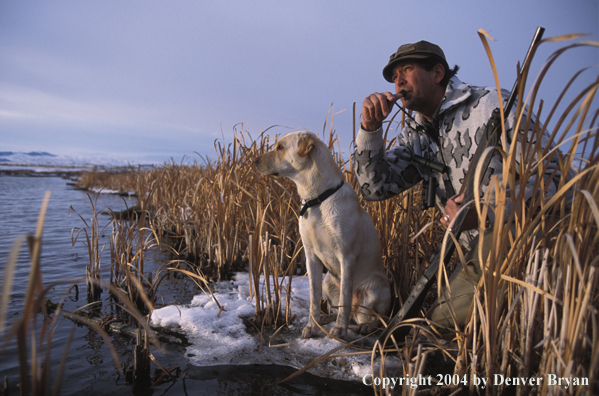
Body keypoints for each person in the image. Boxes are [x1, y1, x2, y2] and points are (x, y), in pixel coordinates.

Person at [353, 40, 568, 330]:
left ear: (437, 73)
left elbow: (554, 179)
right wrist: (370, 129)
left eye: (406, 70)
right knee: (432, 329)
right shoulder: (415, 135)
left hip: (530, 239)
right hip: (476, 258)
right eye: (394, 77)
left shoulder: (492, 105)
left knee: (441, 328)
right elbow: (374, 189)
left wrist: (484, 213)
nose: (398, 81)